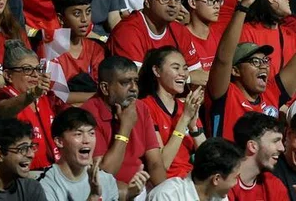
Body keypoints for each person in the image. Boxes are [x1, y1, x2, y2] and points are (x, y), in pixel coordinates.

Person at [205, 0, 296, 141]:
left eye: (265, 61)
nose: (264, 67)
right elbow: (223, 58)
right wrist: (243, 6)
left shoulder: (271, 94)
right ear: (235, 70)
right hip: (228, 164)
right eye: (255, 62)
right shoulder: (225, 94)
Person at [80, 56, 168, 189]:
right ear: (105, 88)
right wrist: (125, 127)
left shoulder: (140, 107)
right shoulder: (88, 113)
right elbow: (104, 175)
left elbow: (155, 162)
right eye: (125, 82)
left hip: (141, 186)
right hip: (107, 191)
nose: (134, 88)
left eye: (135, 81)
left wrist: (165, 193)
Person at [108, 0, 203, 76]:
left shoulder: (179, 30)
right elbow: (135, 82)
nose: (173, 4)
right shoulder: (127, 31)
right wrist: (187, 78)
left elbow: (198, 74)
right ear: (147, 1)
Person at [0, 40, 56, 171]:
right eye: (27, 69)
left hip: (52, 170)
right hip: (19, 173)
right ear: (8, 75)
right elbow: (6, 110)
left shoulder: (45, 97)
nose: (35, 74)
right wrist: (32, 94)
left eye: (38, 69)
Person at [138, 47, 206, 177]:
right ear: (157, 71)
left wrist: (193, 128)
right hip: (165, 184)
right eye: (176, 68)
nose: (183, 74)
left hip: (189, 179)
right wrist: (184, 119)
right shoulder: (145, 107)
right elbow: (162, 164)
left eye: (185, 68)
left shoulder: (185, 106)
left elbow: (210, 159)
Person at [40, 107, 120, 201]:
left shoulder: (106, 180)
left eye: (91, 133)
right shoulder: (45, 183)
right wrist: (93, 197)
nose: (86, 140)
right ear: (59, 141)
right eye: (78, 134)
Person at [46, 0, 106, 105]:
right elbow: (58, 98)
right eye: (77, 13)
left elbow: (103, 89)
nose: (85, 19)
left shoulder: (96, 49)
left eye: (88, 12)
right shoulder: (50, 49)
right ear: (60, 18)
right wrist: (97, 96)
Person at [149, 138, 244, 201]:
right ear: (216, 179)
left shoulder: (219, 196)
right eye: (235, 177)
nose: (236, 183)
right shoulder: (166, 196)